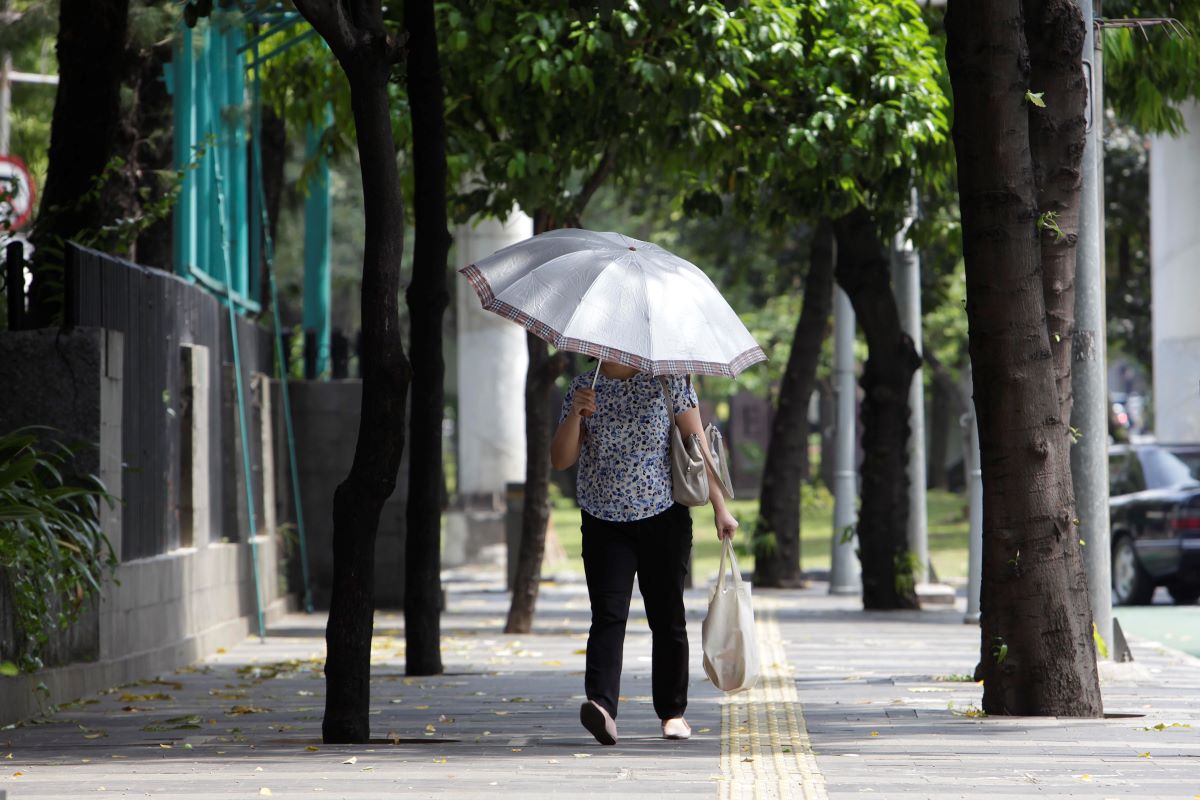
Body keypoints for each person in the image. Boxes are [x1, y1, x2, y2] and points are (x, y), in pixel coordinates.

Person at [551, 359, 738, 746]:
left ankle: (673, 712)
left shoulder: (670, 382)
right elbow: (560, 459)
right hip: (603, 520)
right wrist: (575, 415)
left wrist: (720, 507)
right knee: (607, 615)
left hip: (664, 518)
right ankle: (602, 707)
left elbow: (698, 447)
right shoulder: (585, 386)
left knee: (667, 617)